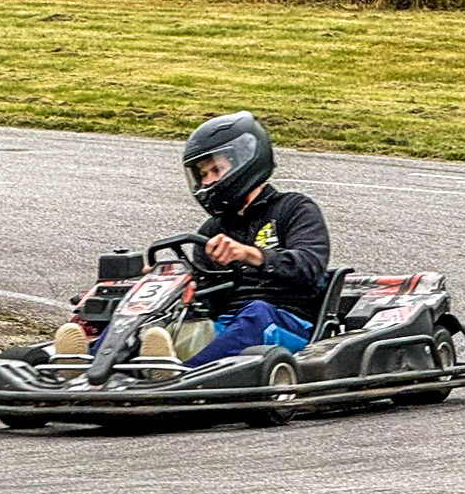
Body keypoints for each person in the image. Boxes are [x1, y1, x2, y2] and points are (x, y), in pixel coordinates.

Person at [53, 111, 331, 367]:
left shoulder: (294, 209)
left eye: (215, 171)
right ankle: (86, 367)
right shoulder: (213, 229)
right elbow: (206, 295)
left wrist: (249, 254)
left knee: (255, 313)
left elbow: (309, 267)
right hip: (226, 325)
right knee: (164, 320)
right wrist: (168, 285)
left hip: (287, 322)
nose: (208, 182)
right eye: (203, 175)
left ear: (245, 162)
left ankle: (182, 376)